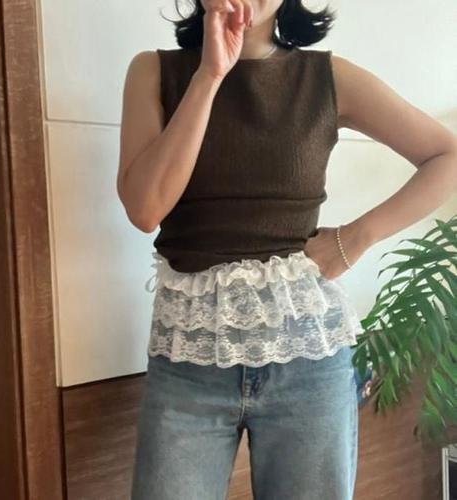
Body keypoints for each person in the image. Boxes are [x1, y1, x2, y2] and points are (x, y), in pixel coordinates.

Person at [117, 1, 457, 498]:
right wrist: (209, 76)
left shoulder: (328, 78)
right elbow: (145, 208)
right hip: (188, 360)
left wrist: (355, 238)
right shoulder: (153, 71)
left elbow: (447, 156)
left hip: (308, 361)